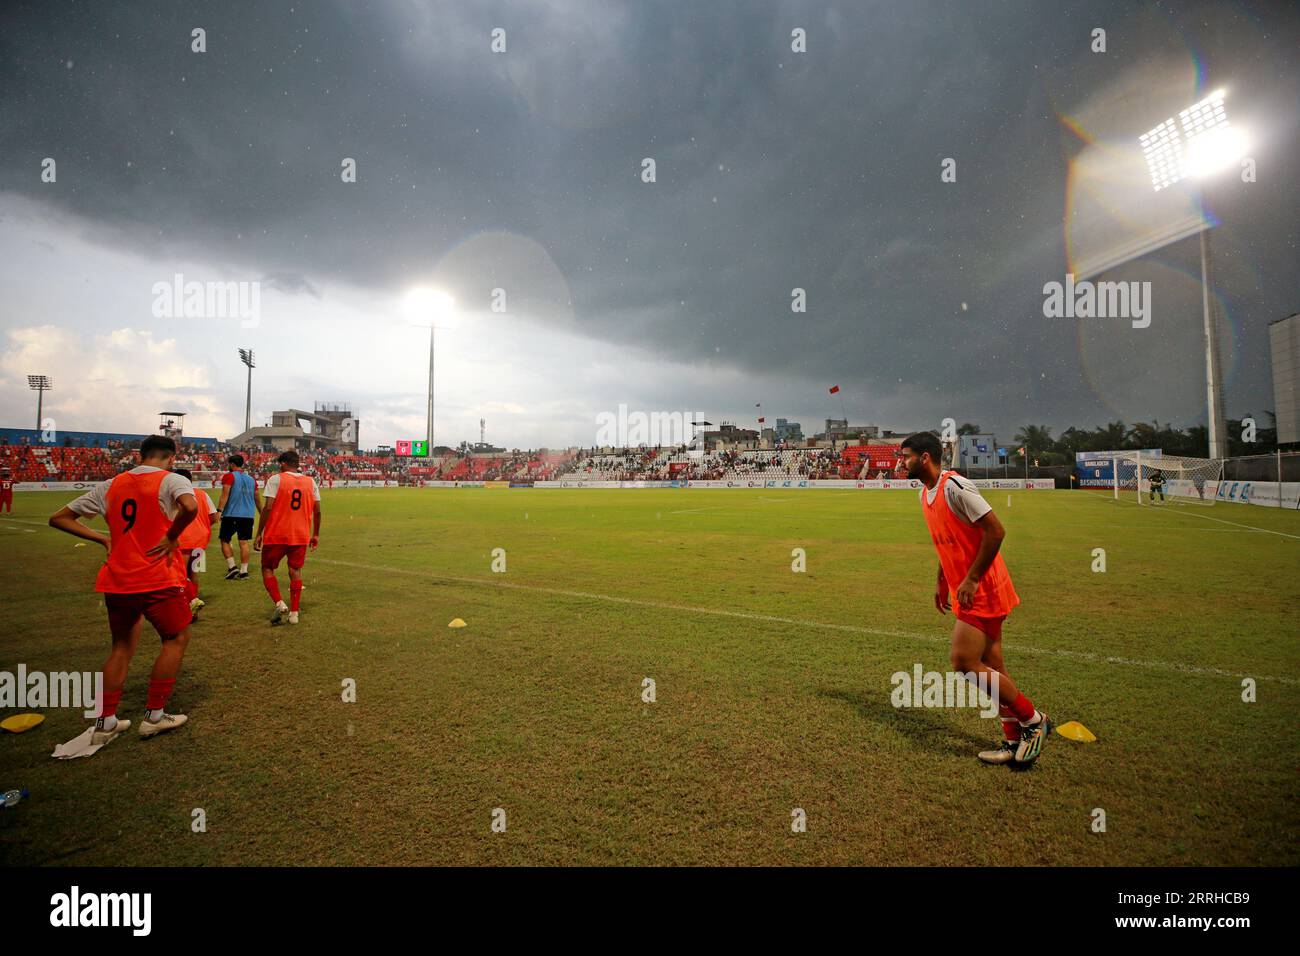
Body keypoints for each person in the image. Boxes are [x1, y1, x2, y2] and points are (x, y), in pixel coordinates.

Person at [897, 432, 1050, 766]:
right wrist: (942, 580)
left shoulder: (956, 486)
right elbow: (949, 541)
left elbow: (996, 531)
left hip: (983, 589)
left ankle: (1034, 721)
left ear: (925, 457)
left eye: (906, 455)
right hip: (967, 590)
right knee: (993, 666)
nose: (901, 461)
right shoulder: (926, 494)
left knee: (963, 662)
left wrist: (972, 578)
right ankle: (1013, 740)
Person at [47, 435, 197, 743]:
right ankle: (154, 716)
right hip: (158, 578)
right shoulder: (171, 480)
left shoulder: (110, 485)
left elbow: (59, 518)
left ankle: (106, 721)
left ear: (140, 455)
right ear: (171, 458)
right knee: (175, 638)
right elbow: (190, 507)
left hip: (118, 579)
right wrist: (172, 536)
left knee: (121, 647)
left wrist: (102, 539)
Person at [253, 450, 321, 625]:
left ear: (283, 463)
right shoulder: (310, 481)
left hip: (277, 533)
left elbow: (268, 507)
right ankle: (294, 613)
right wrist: (315, 534)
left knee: (267, 568)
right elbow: (318, 510)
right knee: (295, 571)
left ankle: (279, 602)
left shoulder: (276, 479)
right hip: (300, 535)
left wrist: (259, 532)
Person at [172, 468, 218, 618]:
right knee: (194, 572)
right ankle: (193, 603)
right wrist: (203, 527)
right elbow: (214, 517)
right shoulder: (202, 494)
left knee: (180, 573)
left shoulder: (175, 496)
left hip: (183, 539)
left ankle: (190, 602)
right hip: (201, 540)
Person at [217, 453, 261, 579]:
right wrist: (261, 512)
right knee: (244, 542)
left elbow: (224, 494)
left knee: (225, 540)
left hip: (231, 514)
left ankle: (232, 567)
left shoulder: (229, 476)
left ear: (232, 464)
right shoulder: (252, 480)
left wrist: (219, 510)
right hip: (248, 516)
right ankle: (244, 571)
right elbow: (257, 498)